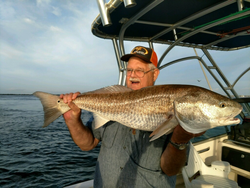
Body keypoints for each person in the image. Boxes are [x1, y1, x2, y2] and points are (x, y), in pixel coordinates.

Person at [60, 46, 204, 187]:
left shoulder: (177, 110)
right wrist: (72, 119)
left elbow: (171, 170)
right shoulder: (111, 100)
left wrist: (179, 141)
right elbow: (88, 144)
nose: (132, 75)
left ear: (155, 74)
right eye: (129, 70)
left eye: (140, 70)